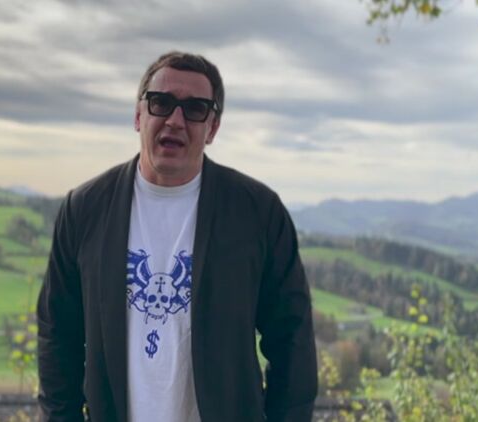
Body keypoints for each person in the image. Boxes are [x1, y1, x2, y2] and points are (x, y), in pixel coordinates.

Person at [37, 51, 318, 422]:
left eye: (195, 109)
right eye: (161, 102)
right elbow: (58, 336)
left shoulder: (257, 213)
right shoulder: (85, 209)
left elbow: (292, 340)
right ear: (139, 116)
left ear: (212, 128)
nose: (175, 120)